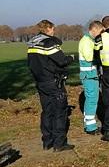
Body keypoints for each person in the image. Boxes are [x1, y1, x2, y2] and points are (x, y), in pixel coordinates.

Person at [27, 20, 75, 152]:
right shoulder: (49, 43)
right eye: (53, 29)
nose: (54, 31)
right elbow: (62, 61)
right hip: (53, 82)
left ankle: (47, 141)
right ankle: (59, 143)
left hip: (40, 82)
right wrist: (71, 58)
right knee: (60, 111)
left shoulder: (33, 42)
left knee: (47, 111)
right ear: (48, 28)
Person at [78, 21, 104, 134]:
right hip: (89, 76)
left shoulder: (88, 40)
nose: (101, 34)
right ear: (94, 29)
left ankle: (90, 124)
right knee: (91, 100)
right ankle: (90, 127)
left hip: (91, 76)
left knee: (92, 100)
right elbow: (90, 58)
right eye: (100, 31)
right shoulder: (87, 41)